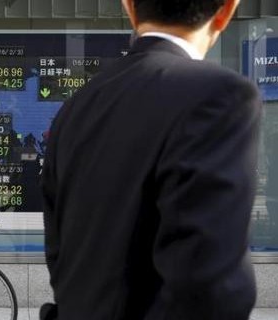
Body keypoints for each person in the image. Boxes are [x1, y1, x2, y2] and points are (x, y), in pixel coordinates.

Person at [41, 1, 261, 319]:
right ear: (227, 10)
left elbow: (61, 256)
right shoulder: (219, 95)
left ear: (129, 6)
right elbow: (211, 285)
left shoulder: (77, 105)